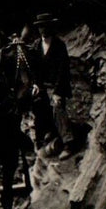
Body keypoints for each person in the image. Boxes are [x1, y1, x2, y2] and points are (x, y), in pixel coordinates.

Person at [29, 13, 77, 159]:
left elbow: (63, 71)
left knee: (57, 107)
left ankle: (68, 142)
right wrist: (36, 84)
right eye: (40, 27)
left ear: (51, 27)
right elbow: (33, 68)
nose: (43, 30)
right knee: (35, 103)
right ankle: (41, 140)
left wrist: (57, 92)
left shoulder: (59, 45)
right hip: (42, 86)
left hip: (57, 86)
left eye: (45, 26)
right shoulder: (36, 45)